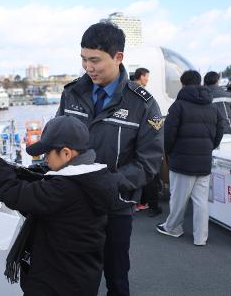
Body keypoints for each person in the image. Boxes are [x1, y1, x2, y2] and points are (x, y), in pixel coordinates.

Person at [57, 22, 164, 296]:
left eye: (95, 60)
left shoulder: (143, 105)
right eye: (83, 59)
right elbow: (57, 142)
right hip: (72, 204)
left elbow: (148, 162)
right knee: (73, 277)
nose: (88, 67)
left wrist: (106, 183)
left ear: (118, 57)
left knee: (117, 278)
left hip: (114, 207)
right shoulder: (71, 94)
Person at [0, 116, 118, 296]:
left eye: (47, 153)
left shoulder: (64, 188)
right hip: (80, 274)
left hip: (57, 282)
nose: (44, 160)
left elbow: (18, 195)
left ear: (66, 153)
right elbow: (40, 199)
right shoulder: (93, 179)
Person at [156, 70, 223, 246]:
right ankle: (201, 237)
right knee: (201, 201)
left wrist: (169, 151)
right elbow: (220, 130)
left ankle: (173, 228)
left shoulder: (178, 105)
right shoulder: (212, 106)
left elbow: (169, 134)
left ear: (183, 83)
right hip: (203, 160)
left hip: (182, 160)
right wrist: (210, 147)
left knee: (178, 197)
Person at [131, 67, 162, 217]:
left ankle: (136, 203)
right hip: (140, 141)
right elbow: (153, 122)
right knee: (148, 174)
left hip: (129, 141)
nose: (147, 80)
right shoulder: (142, 95)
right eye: (147, 77)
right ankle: (145, 204)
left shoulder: (126, 90)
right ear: (141, 76)